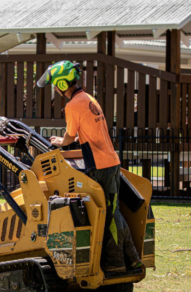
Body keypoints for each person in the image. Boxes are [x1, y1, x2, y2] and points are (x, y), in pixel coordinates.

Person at [37, 61, 142, 272]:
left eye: (55, 85)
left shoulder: (73, 105)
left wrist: (59, 142)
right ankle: (132, 258)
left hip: (99, 166)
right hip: (111, 162)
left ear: (61, 83)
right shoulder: (89, 99)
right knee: (115, 212)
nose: (55, 90)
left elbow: (70, 137)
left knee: (106, 214)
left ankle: (115, 264)